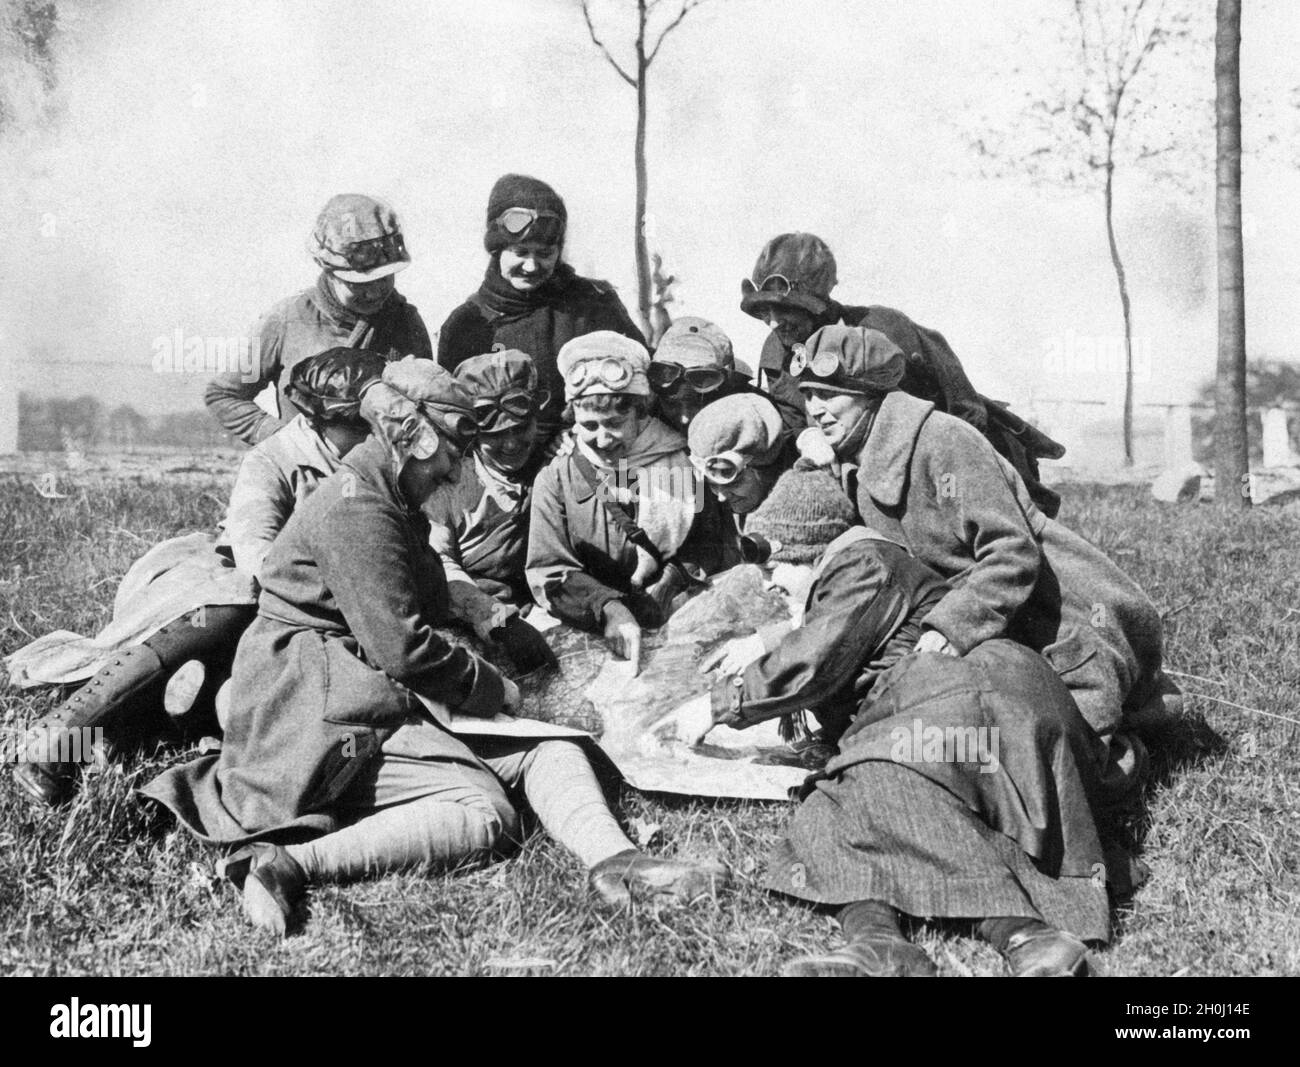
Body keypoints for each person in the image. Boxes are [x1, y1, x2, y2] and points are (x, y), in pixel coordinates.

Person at [144, 358, 726, 934]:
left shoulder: (385, 497)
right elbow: (404, 647)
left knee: (549, 748)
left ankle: (616, 862)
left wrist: (491, 620)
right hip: (315, 703)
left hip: (360, 678)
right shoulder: (357, 508)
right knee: (483, 813)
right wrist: (492, 687)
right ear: (411, 440)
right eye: (448, 455)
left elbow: (416, 609)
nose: (452, 472)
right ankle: (286, 864)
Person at [667, 466, 1124, 977]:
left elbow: (814, 661)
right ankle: (1021, 945)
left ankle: (970, 938)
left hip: (961, 702)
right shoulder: (877, 565)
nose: (772, 586)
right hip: (1001, 706)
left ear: (805, 551)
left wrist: (719, 704)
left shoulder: (863, 564)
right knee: (899, 794)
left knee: (843, 803)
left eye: (774, 568)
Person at [793, 323, 1175, 802]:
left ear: (869, 394)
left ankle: (1139, 738)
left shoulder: (942, 441)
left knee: (1068, 782)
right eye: (808, 394)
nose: (814, 408)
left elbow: (1011, 551)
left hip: (1060, 617)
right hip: (988, 619)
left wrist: (952, 628)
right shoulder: (857, 454)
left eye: (830, 394)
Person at [10, 349, 386, 808]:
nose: (372, 435)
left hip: (328, 616)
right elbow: (256, 555)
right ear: (316, 420)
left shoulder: (372, 464)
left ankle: (174, 730)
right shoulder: (273, 461)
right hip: (248, 593)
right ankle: (59, 738)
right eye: (359, 424)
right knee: (230, 605)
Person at [740, 231, 1066, 516]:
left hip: (961, 452)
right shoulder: (777, 350)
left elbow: (962, 407)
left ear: (814, 300)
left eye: (782, 309)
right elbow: (791, 419)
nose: (772, 322)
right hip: (867, 475)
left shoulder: (882, 329)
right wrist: (806, 437)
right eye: (765, 312)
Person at [526, 332, 738, 673]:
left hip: (673, 615)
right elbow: (549, 570)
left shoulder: (682, 462)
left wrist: (672, 578)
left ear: (640, 414)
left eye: (614, 424)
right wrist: (608, 607)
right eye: (589, 426)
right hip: (589, 623)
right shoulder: (556, 478)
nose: (602, 438)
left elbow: (709, 542)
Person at [205, 194, 433, 446]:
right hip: (310, 478)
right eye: (359, 284)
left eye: (384, 278)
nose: (375, 292)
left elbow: (429, 405)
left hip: (383, 479)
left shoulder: (406, 323)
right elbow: (224, 395)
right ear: (329, 270)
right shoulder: (285, 321)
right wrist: (282, 440)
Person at [437, 174, 645, 440]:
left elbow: (639, 383)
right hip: (502, 462)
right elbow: (453, 419)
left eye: (545, 254)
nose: (531, 266)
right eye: (520, 252)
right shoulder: (467, 324)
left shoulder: (592, 304)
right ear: (496, 250)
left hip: (590, 452)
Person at [423, 349, 557, 672]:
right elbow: (439, 564)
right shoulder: (450, 482)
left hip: (545, 610)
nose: (510, 444)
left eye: (520, 428)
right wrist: (496, 618)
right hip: (475, 618)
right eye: (495, 435)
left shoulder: (555, 462)